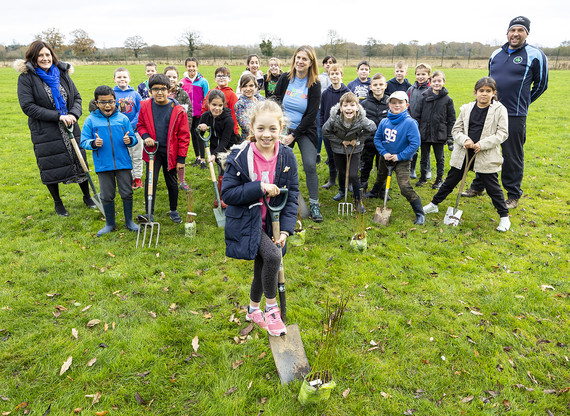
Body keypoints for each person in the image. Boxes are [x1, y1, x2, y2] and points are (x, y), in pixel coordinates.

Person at [221, 100, 299, 336]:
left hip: (274, 223)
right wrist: (260, 187)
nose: (267, 134)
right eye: (261, 128)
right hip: (248, 222)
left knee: (263, 267)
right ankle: (271, 309)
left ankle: (253, 310)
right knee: (273, 257)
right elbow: (228, 194)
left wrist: (285, 229)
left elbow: (292, 194)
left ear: (281, 128)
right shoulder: (240, 157)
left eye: (273, 129)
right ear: (251, 129)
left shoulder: (286, 156)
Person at [463, 16, 548, 209]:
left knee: (512, 154)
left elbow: (541, 85)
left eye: (520, 30)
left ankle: (512, 194)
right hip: (489, 111)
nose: (516, 34)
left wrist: (524, 102)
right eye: (513, 30)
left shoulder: (535, 55)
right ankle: (478, 186)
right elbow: (489, 83)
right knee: (482, 147)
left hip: (515, 114)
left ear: (527, 33)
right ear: (507, 32)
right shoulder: (495, 54)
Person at [15, 40, 96, 217]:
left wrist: (73, 114)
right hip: (46, 130)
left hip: (70, 125)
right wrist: (59, 116)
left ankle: (87, 196)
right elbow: (28, 106)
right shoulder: (27, 78)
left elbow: (77, 98)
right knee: (50, 164)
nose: (45, 58)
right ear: (34, 58)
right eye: (41, 55)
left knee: (79, 160)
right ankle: (58, 203)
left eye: (48, 55)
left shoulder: (62, 73)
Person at [424, 77, 511, 232]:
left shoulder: (500, 110)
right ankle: (434, 204)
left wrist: (482, 144)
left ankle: (504, 217)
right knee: (450, 180)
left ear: (494, 93)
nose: (484, 94)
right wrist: (465, 140)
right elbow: (456, 130)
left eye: (488, 91)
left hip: (485, 153)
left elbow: (502, 133)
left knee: (492, 187)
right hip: (464, 152)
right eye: (481, 91)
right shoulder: (467, 108)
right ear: (475, 92)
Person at [80, 85, 139, 236]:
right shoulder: (91, 120)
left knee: (127, 192)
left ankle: (129, 222)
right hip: (103, 165)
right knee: (106, 195)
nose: (107, 105)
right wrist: (93, 143)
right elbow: (84, 141)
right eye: (103, 102)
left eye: (111, 101)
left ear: (116, 101)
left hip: (123, 163)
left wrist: (129, 140)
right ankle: (110, 223)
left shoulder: (123, 118)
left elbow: (133, 138)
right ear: (96, 103)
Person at [273, 45, 323, 222]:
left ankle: (315, 204)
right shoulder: (286, 79)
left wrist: (293, 135)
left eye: (305, 59)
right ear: (294, 59)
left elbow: (311, 115)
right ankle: (279, 198)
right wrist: (280, 129)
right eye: (298, 58)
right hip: (284, 128)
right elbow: (275, 100)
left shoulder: (314, 84)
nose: (300, 61)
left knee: (310, 164)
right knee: (279, 163)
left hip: (304, 130)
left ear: (311, 63)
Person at [136, 74, 191, 223]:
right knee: (150, 181)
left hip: (170, 153)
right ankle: (149, 212)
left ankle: (173, 210)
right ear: (150, 91)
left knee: (171, 182)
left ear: (169, 90)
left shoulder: (178, 110)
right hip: (152, 152)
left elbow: (184, 136)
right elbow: (140, 125)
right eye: (155, 89)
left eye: (163, 89)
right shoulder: (145, 106)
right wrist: (146, 136)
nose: (159, 92)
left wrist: (181, 159)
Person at [374, 91, 425, 224]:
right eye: (394, 102)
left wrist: (400, 156)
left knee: (404, 186)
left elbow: (415, 144)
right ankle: (375, 192)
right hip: (385, 158)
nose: (397, 105)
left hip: (402, 160)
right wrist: (384, 152)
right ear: (389, 105)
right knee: (380, 176)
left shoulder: (410, 123)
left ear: (406, 105)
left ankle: (420, 213)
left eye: (400, 102)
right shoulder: (384, 121)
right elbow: (377, 139)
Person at [322, 92, 376, 212]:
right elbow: (325, 131)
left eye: (352, 105)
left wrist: (357, 140)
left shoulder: (361, 119)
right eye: (345, 106)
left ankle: (357, 200)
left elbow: (372, 128)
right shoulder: (334, 119)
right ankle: (342, 190)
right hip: (338, 149)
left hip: (355, 150)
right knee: (341, 171)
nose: (349, 108)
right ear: (341, 108)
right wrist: (341, 141)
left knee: (352, 174)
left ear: (357, 107)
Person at [197, 90, 239, 208]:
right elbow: (198, 133)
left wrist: (214, 154)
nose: (217, 108)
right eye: (214, 105)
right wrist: (201, 127)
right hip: (215, 147)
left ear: (224, 105)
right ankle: (220, 196)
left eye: (220, 105)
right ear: (208, 104)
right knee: (221, 171)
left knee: (227, 172)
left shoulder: (228, 119)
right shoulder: (206, 116)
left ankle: (225, 196)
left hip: (229, 148)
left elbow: (225, 140)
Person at [414, 70, 456, 189]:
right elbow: (417, 116)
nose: (437, 83)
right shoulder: (424, 97)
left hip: (439, 133)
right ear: (430, 82)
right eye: (434, 81)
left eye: (439, 81)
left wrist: (449, 136)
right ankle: (423, 177)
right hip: (425, 133)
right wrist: (416, 131)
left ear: (443, 82)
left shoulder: (448, 100)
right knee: (424, 157)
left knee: (440, 158)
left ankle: (439, 179)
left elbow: (451, 119)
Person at [319, 63, 350, 190]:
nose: (334, 76)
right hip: (329, 132)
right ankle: (332, 179)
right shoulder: (325, 93)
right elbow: (321, 112)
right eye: (332, 74)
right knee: (331, 156)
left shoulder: (347, 93)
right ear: (329, 76)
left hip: (342, 132)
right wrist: (322, 126)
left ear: (341, 75)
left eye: (337, 73)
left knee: (343, 157)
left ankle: (345, 181)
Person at [113, 67, 144, 189]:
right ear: (114, 79)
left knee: (137, 155)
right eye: (119, 77)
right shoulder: (112, 94)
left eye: (125, 77)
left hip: (134, 132)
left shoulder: (135, 95)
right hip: (118, 132)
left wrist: (130, 126)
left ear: (129, 79)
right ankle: (127, 178)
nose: (122, 79)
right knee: (124, 156)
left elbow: (140, 111)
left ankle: (137, 178)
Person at [164, 65, 193, 191]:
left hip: (179, 132)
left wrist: (186, 130)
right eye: (168, 76)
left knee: (180, 156)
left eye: (174, 77)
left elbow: (189, 113)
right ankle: (170, 180)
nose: (171, 79)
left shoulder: (183, 94)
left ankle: (181, 181)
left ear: (178, 78)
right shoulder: (161, 93)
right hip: (164, 131)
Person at [361, 73, 390, 197]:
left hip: (384, 144)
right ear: (370, 87)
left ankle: (382, 190)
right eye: (375, 85)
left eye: (381, 84)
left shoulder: (390, 103)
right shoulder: (364, 104)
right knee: (365, 167)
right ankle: (362, 188)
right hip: (367, 143)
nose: (378, 87)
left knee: (382, 168)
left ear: (385, 86)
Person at [180, 57, 210, 169]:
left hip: (200, 113)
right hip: (188, 114)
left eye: (193, 66)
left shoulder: (203, 81)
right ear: (186, 67)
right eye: (189, 66)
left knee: (200, 135)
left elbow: (207, 98)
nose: (191, 68)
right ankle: (197, 157)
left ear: (197, 67)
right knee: (193, 135)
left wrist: (205, 113)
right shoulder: (182, 82)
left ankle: (203, 159)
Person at [407, 63, 432, 180]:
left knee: (425, 148)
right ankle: (411, 169)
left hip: (426, 124)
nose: (420, 76)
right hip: (412, 123)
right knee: (413, 147)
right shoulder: (411, 89)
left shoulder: (431, 90)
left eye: (423, 74)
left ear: (429, 75)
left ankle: (427, 170)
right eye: (418, 74)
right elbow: (406, 105)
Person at [201, 66, 240, 137]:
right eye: (219, 76)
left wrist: (232, 130)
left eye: (224, 76)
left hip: (229, 132)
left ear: (229, 79)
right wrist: (204, 123)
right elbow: (204, 108)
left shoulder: (232, 95)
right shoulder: (211, 93)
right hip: (215, 130)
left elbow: (234, 114)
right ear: (215, 79)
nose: (221, 78)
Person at [316, 55, 337, 163]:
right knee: (320, 131)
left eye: (331, 62)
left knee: (333, 132)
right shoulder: (319, 77)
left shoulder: (337, 77)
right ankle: (318, 153)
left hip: (334, 110)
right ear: (323, 64)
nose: (329, 64)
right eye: (327, 62)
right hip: (321, 108)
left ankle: (332, 155)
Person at [235, 74, 265, 142]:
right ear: (240, 88)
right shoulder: (240, 104)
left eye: (251, 85)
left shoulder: (262, 100)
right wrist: (260, 131)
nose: (248, 89)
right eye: (245, 86)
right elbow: (244, 124)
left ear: (256, 87)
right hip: (249, 139)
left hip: (264, 137)